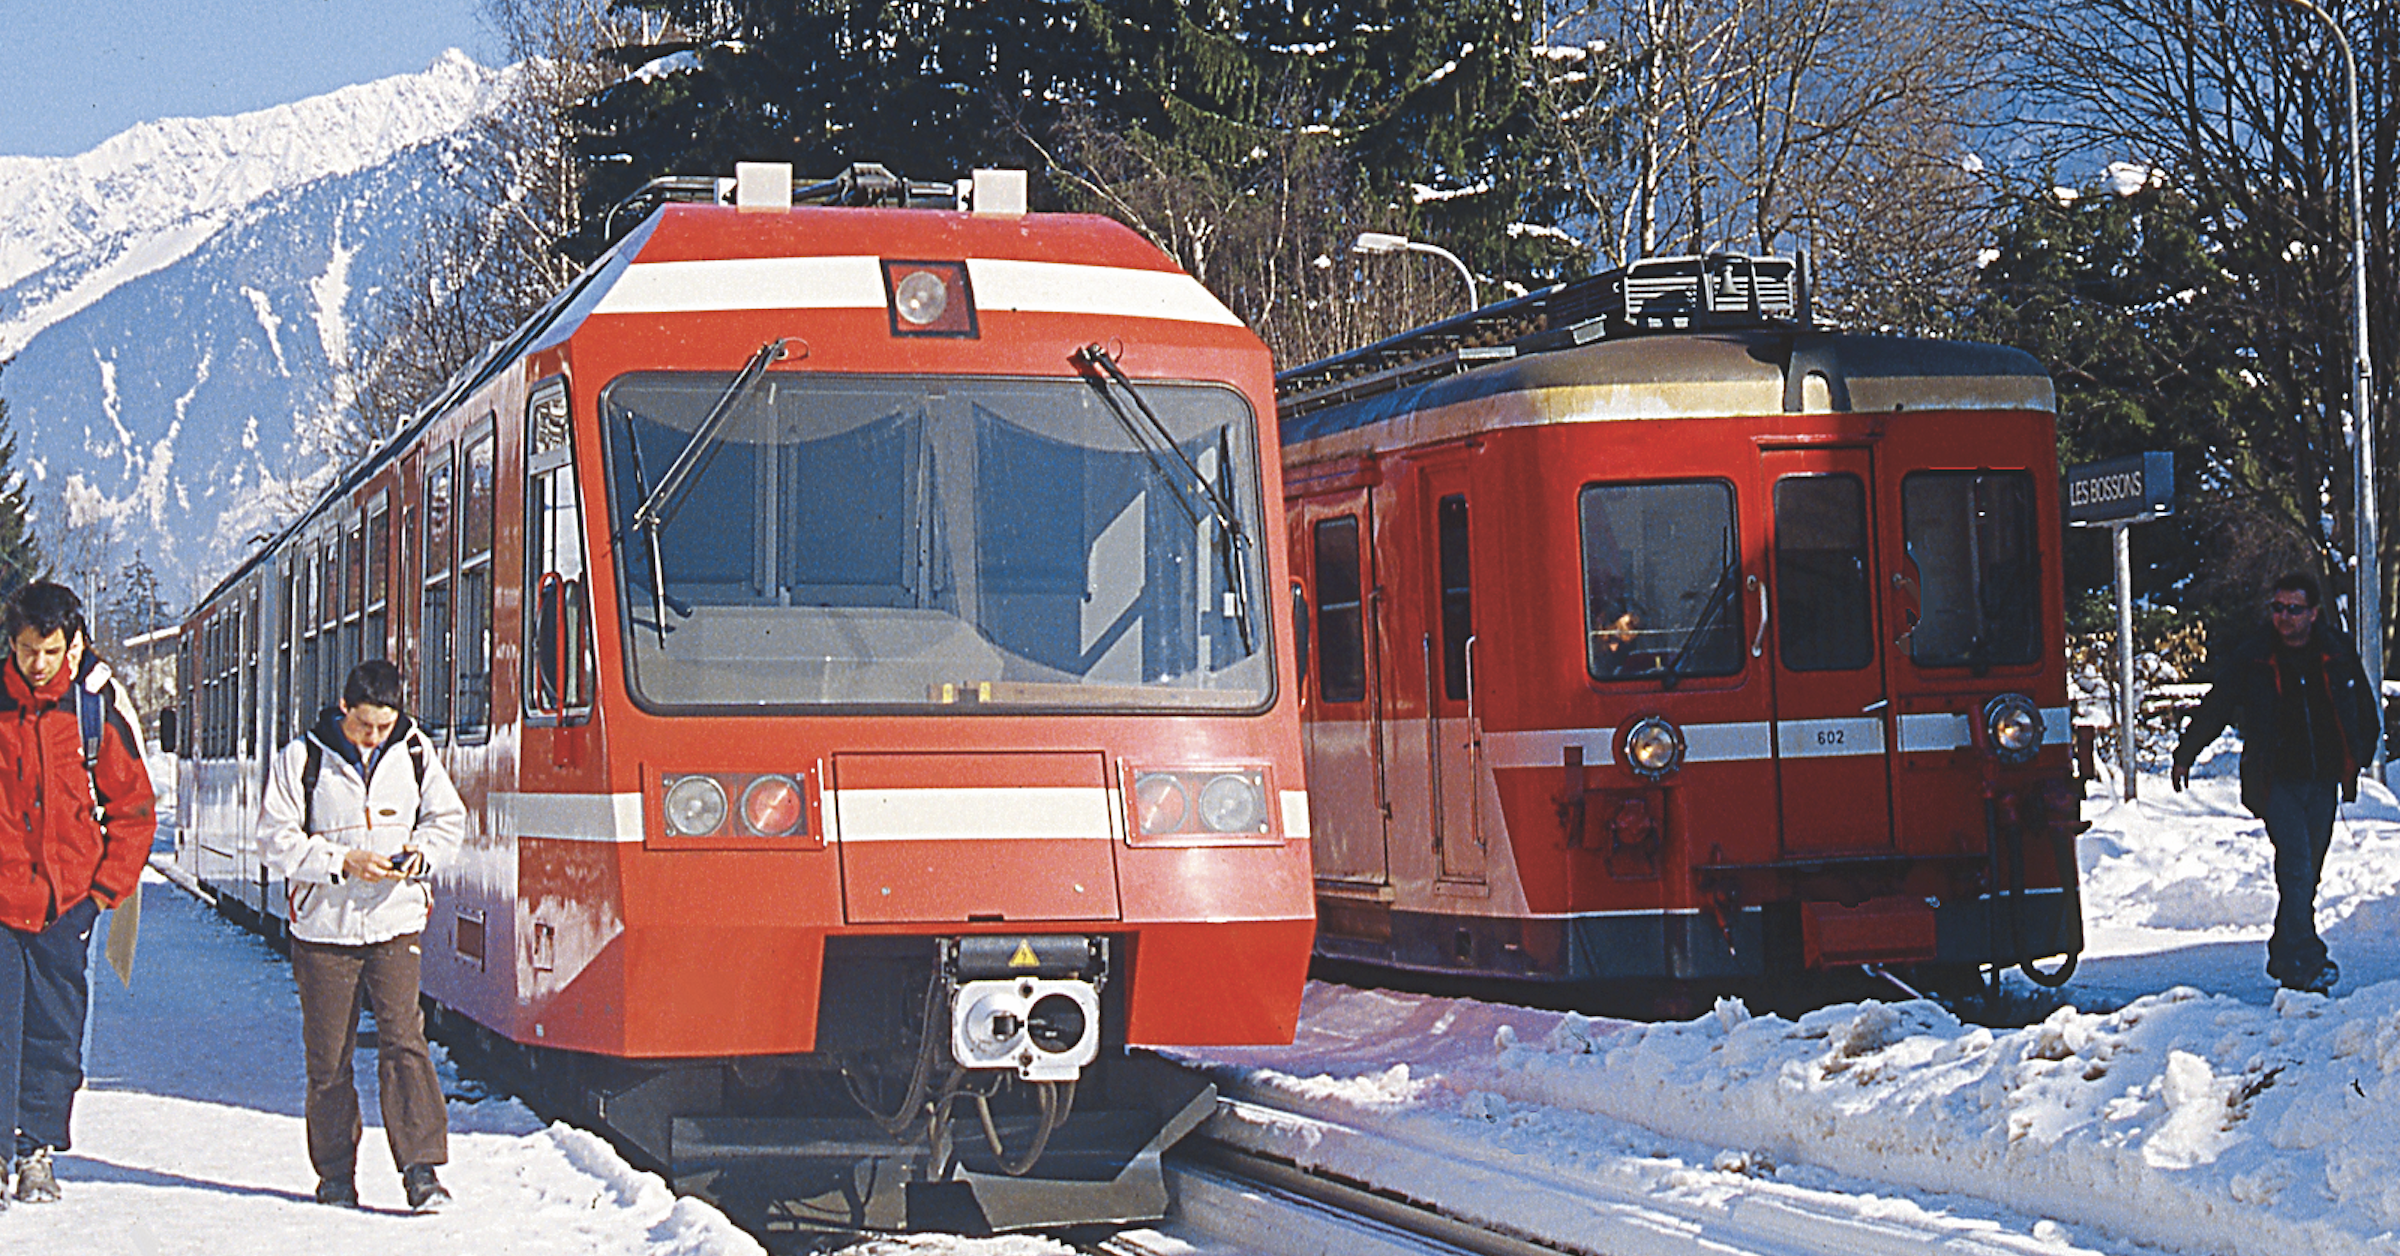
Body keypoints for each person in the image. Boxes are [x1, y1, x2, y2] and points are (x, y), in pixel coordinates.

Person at [258, 659, 465, 1212]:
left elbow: (447, 820)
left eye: (384, 726)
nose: (374, 737)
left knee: (405, 1042)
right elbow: (274, 840)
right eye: (364, 725)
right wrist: (341, 860)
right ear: (344, 709)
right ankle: (334, 1176)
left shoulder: (415, 752)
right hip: (324, 929)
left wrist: (421, 854)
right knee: (329, 1058)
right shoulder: (301, 758)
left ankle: (421, 1171)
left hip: (395, 921)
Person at [0, 581, 155, 1208]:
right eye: (26, 649)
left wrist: (101, 895)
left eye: (50, 650)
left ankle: (36, 1149)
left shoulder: (93, 712)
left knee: (55, 1032)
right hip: (2, 901)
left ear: (71, 645)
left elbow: (134, 809)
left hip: (65, 905)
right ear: (11, 644)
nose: (38, 663)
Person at [2171, 572, 2382, 994]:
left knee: (2309, 871)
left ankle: (2284, 953)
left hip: (2323, 779)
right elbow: (2218, 705)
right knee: (2296, 863)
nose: (2284, 617)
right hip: (2276, 779)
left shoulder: (2337, 652)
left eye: (2294, 609)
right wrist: (2186, 752)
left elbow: (2363, 709)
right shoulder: (2255, 656)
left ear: (2313, 613)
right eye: (2278, 608)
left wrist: (2358, 756)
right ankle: (2307, 957)